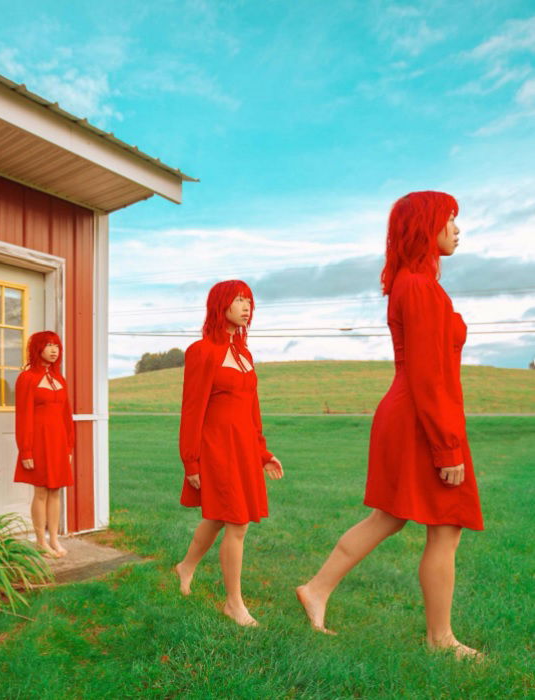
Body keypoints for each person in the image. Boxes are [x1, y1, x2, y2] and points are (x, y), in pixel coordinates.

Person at [296, 191, 483, 659]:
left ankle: (316, 589)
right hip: (420, 417)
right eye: (450, 220)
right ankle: (440, 639)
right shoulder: (417, 287)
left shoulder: (416, 282)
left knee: (391, 517)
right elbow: (427, 375)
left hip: (415, 413)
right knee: (445, 525)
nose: (458, 230)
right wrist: (447, 448)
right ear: (427, 227)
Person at [175, 280, 284, 626]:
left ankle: (186, 566)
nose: (246, 306)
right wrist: (191, 460)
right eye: (238, 300)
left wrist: (263, 454)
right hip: (215, 449)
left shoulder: (245, 355)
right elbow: (192, 411)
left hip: (243, 450)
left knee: (220, 516)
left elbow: (253, 412)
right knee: (237, 522)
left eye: (249, 300)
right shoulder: (202, 351)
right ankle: (234, 603)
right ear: (220, 304)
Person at [14, 330, 74, 558]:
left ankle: (54, 539)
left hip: (58, 442)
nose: (53, 350)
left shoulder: (59, 379)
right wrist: (25, 449)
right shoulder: (27, 378)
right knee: (40, 491)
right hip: (37, 442)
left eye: (56, 346)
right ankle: (40, 541)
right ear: (37, 348)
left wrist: (69, 446)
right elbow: (23, 416)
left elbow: (67, 416)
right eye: (48, 345)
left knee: (56, 491)